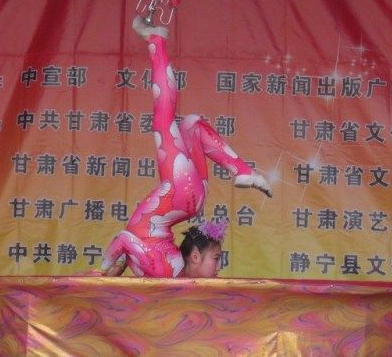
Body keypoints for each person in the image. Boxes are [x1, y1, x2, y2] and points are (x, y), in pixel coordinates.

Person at [98, 15, 272, 278]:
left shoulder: (165, 270)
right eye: (216, 259)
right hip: (182, 192)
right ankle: (155, 40)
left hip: (186, 195)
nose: (219, 268)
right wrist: (103, 270)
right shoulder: (164, 271)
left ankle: (244, 171)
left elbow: (126, 242)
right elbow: (124, 241)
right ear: (195, 256)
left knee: (189, 124)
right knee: (167, 119)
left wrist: (103, 274)